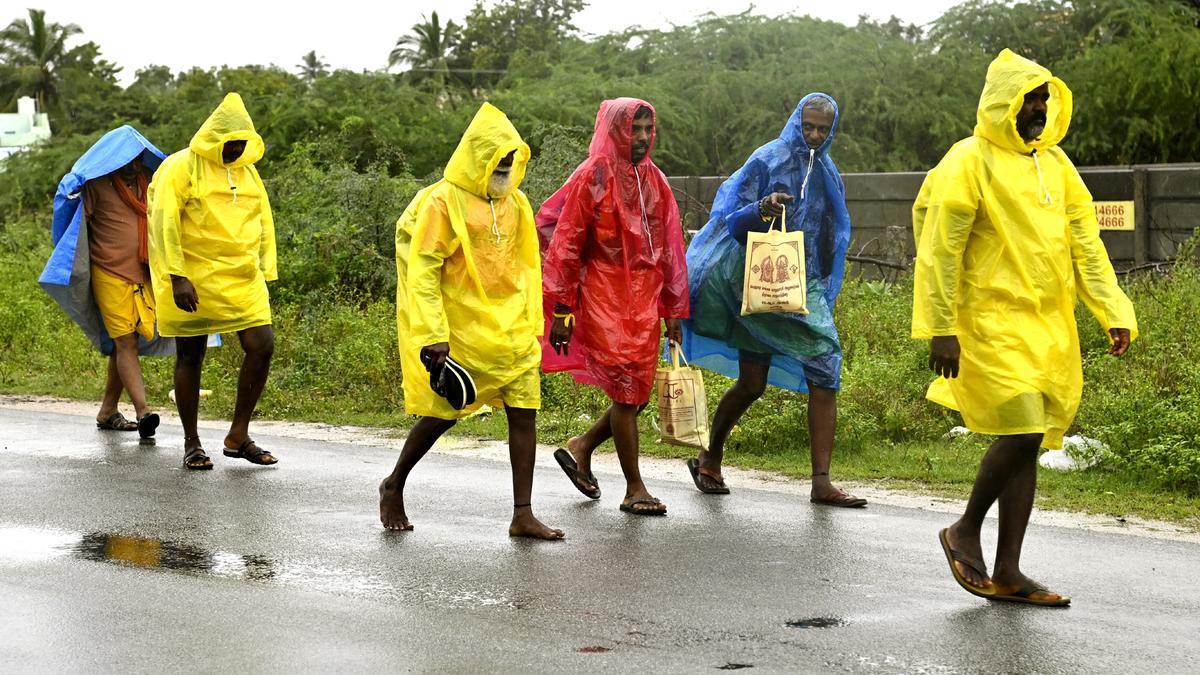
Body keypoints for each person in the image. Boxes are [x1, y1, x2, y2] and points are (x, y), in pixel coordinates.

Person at [913, 49, 1136, 606]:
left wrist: (1113, 310)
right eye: (1028, 98)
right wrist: (942, 325)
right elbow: (940, 250)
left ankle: (1009, 570)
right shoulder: (968, 160)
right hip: (986, 320)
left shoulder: (1057, 164)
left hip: (1047, 324)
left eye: (1043, 97)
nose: (1038, 107)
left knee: (1031, 436)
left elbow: (1087, 244)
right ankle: (965, 528)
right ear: (1002, 103)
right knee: (1022, 431)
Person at [379, 102, 564, 540]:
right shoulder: (444, 202)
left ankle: (523, 514)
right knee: (445, 413)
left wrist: (538, 317)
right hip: (461, 330)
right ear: (477, 155)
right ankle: (394, 483)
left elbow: (526, 266)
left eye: (510, 157)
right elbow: (424, 268)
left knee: (524, 413)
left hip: (511, 331)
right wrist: (433, 334)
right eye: (496, 155)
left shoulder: (516, 202)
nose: (504, 164)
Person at [678, 93, 864, 507]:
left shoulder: (828, 172)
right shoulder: (767, 159)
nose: (814, 135)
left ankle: (820, 481)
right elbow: (729, 218)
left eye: (822, 129)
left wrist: (825, 284)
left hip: (803, 285)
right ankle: (710, 457)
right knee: (753, 382)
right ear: (797, 121)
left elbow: (833, 231)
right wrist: (762, 207)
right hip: (757, 280)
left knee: (822, 361)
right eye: (808, 126)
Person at [539, 98, 689, 516]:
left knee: (637, 393)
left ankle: (582, 446)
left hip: (643, 300)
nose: (641, 138)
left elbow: (671, 248)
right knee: (626, 391)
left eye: (647, 129)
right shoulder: (594, 177)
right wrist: (565, 310)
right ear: (615, 130)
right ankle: (635, 487)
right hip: (604, 295)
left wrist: (673, 308)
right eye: (633, 129)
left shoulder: (654, 179)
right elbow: (566, 244)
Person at [148, 93, 279, 470]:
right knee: (191, 354)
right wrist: (177, 276)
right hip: (193, 276)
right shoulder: (180, 167)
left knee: (262, 344)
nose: (236, 149)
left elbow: (262, 219)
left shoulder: (246, 170)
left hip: (241, 275)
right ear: (214, 138)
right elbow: (163, 222)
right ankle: (192, 442)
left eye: (242, 143)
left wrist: (265, 266)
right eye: (230, 143)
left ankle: (239, 435)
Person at [41, 126, 170, 439]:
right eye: (125, 162)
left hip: (144, 275)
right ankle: (144, 412)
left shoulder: (150, 185)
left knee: (127, 343)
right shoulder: (96, 187)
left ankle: (108, 410)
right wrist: (71, 193)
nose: (132, 168)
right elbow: (72, 221)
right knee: (125, 341)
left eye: (137, 161)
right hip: (108, 273)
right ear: (112, 163)